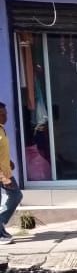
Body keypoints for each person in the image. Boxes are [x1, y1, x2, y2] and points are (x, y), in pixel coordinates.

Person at [0, 101, 22, 245]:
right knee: (14, 195)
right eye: (2, 114)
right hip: (2, 173)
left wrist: (10, 162)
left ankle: (1, 222)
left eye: (5, 113)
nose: (5, 116)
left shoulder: (2, 129)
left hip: (6, 170)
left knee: (16, 195)